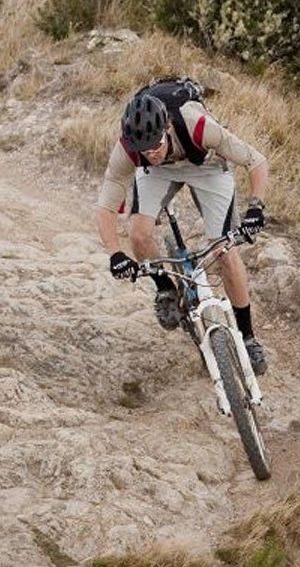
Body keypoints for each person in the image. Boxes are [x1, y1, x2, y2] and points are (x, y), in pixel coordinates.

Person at [95, 76, 270, 373]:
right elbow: (106, 205)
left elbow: (256, 161)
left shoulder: (197, 125)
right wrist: (115, 254)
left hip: (206, 166)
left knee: (225, 250)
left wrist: (256, 207)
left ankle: (248, 337)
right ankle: (165, 289)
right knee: (138, 235)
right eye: (145, 150)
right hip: (157, 175)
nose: (153, 153)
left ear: (166, 128)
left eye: (157, 145)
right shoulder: (131, 149)